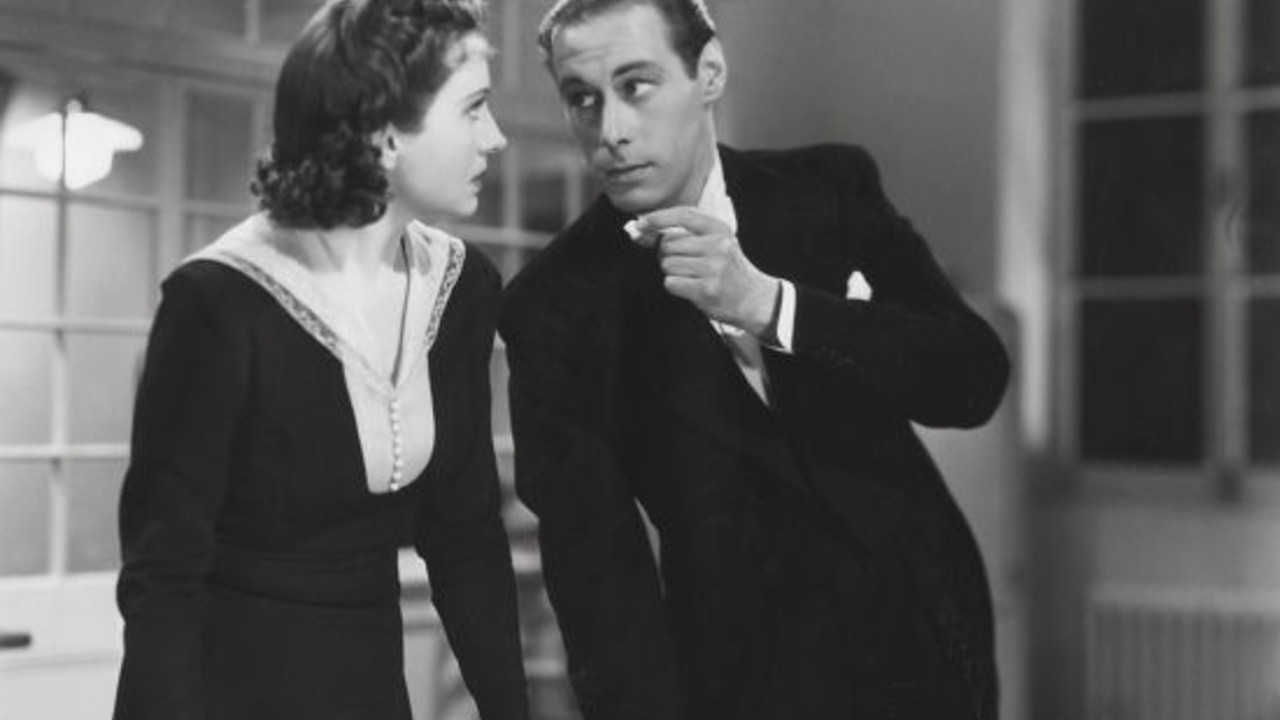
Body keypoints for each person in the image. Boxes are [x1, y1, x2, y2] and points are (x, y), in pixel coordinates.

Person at [499, 1, 1011, 719]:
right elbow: (598, 580)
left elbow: (973, 379)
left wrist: (773, 306)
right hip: (747, 684)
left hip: (930, 641)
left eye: (636, 86)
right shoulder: (553, 305)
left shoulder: (831, 188)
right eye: (582, 98)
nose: (610, 130)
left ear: (709, 72)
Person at [111, 1, 528, 719]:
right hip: (225, 696)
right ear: (386, 133)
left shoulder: (461, 289)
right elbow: (162, 580)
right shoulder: (218, 303)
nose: (495, 137)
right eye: (473, 108)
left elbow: (466, 539)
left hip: (371, 692)